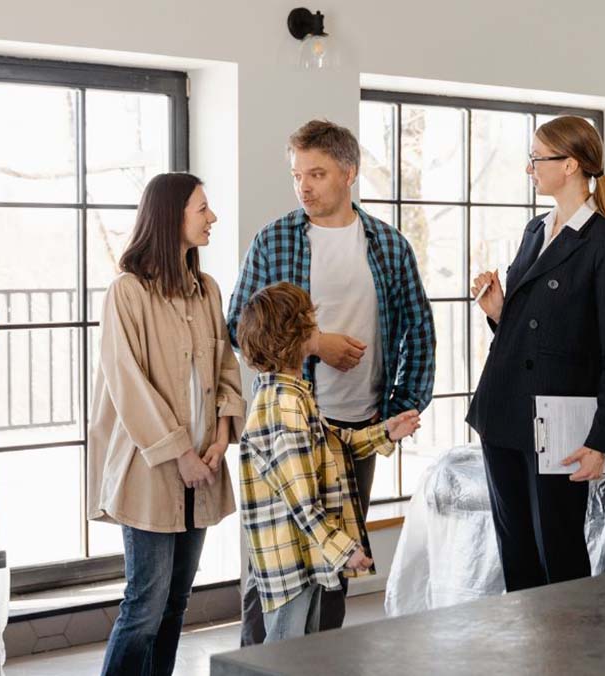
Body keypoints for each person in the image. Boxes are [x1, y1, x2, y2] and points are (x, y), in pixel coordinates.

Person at [227, 119, 435, 642]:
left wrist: (401, 407)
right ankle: (256, 662)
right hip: (292, 422)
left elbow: (420, 330)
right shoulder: (273, 240)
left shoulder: (389, 247)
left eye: (316, 173)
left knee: (336, 567)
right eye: (298, 174)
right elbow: (238, 324)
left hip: (358, 429)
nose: (304, 186)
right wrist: (318, 343)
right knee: (271, 570)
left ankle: (324, 662)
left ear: (349, 172)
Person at [467, 116, 605, 591]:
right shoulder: (535, 229)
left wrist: (601, 441)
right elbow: (532, 330)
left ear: (570, 165)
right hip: (502, 410)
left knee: (558, 555)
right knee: (515, 552)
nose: (529, 169)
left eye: (538, 159)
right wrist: (498, 311)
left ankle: (574, 661)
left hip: (558, 422)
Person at [87, 173, 246, 675]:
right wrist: (180, 453)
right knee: (145, 605)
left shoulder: (208, 290)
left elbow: (225, 369)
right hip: (151, 470)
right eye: (202, 208)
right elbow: (128, 384)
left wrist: (220, 438)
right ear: (170, 215)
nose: (212, 217)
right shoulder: (126, 293)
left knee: (177, 601)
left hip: (204, 465)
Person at [237, 281, 421, 643]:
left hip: (301, 556)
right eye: (309, 317)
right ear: (295, 333)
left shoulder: (287, 394)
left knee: (301, 651)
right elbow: (302, 501)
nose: (316, 323)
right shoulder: (284, 407)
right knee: (285, 656)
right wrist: (343, 549)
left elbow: (332, 442)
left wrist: (384, 432)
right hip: (291, 563)